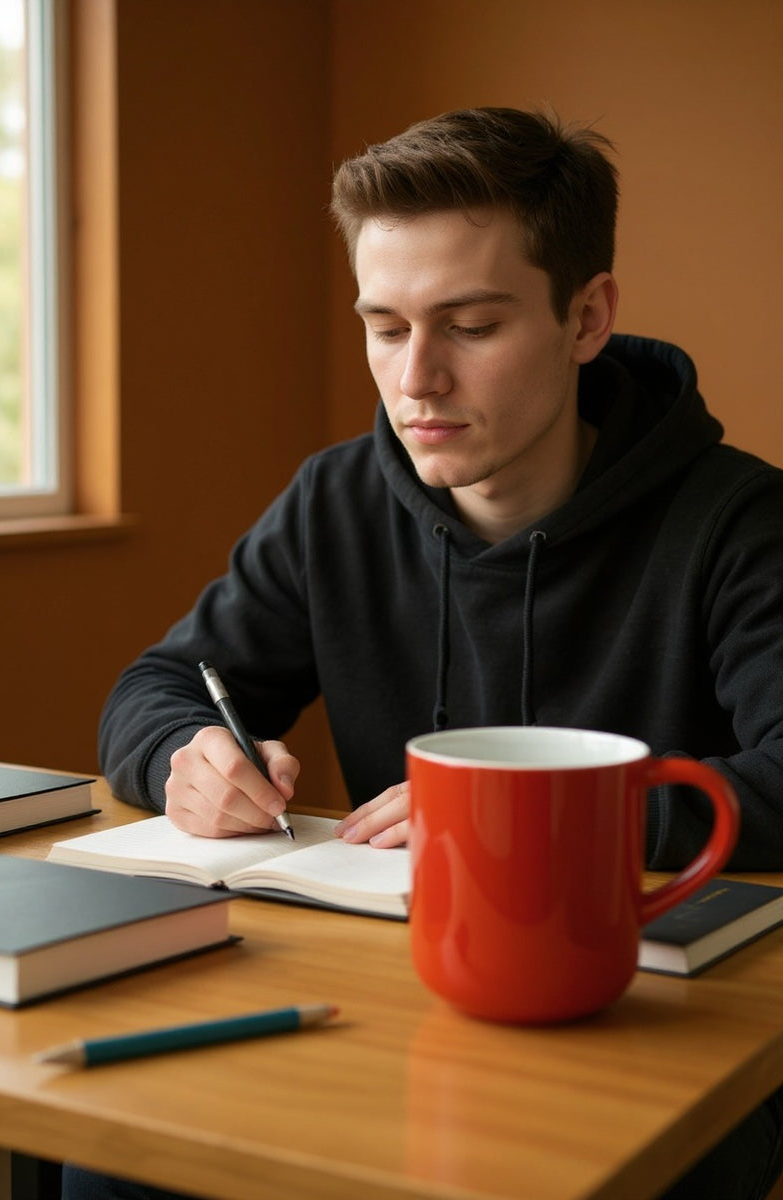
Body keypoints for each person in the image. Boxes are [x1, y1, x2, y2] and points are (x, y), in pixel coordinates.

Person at [63, 107, 783, 1200]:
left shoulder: (740, 522)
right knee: (114, 1166)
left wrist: (514, 821)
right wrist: (184, 755)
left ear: (585, 317)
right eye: (386, 326)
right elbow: (158, 685)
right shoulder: (334, 501)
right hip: (389, 998)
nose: (416, 380)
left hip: (662, 1025)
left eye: (471, 327)